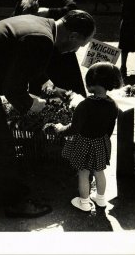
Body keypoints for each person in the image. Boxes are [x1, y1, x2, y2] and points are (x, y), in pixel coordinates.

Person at [0, 9, 96, 218]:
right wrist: (31, 104)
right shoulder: (42, 39)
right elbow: (12, 87)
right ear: (74, 36)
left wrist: (51, 88)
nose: (75, 50)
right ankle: (13, 204)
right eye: (80, 45)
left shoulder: (42, 26)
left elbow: (28, 65)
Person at [51, 62, 123, 211]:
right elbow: (110, 128)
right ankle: (101, 199)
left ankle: (84, 203)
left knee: (83, 173)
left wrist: (59, 129)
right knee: (99, 171)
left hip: (83, 142)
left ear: (92, 83)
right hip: (101, 142)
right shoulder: (113, 104)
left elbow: (74, 128)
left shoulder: (84, 105)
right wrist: (103, 141)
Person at [12, 0, 87, 97]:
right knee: (40, 90)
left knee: (67, 91)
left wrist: (49, 12)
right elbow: (14, 20)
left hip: (59, 49)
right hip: (37, 51)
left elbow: (72, 10)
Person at [118, 0, 135, 80]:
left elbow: (122, 6)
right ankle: (123, 67)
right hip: (131, 20)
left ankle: (123, 67)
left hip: (127, 21)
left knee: (124, 47)